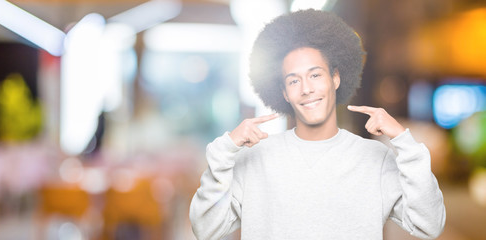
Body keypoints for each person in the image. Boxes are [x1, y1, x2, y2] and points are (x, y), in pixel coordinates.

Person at [189, 9, 446, 240]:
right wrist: (224, 151)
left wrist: (405, 142)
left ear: (335, 77)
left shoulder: (375, 159)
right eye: (293, 81)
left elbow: (429, 225)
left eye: (315, 75)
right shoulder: (254, 159)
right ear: (284, 92)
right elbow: (206, 229)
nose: (307, 89)